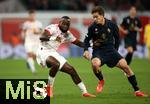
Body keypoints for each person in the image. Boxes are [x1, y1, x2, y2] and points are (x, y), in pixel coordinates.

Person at [83, 6, 148, 97]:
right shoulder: (92, 27)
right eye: (93, 17)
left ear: (102, 15)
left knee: (126, 67)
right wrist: (86, 50)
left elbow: (117, 39)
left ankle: (137, 91)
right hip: (99, 51)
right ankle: (101, 80)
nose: (94, 19)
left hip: (111, 50)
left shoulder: (112, 25)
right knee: (94, 64)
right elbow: (86, 40)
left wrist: (115, 52)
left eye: (96, 16)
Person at [36, 16, 96, 98]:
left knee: (71, 70)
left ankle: (84, 92)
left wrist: (91, 45)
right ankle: (49, 87)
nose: (65, 26)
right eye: (63, 23)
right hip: (43, 51)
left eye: (67, 24)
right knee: (56, 64)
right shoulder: (53, 27)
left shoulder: (67, 34)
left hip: (53, 53)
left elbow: (78, 43)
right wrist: (54, 38)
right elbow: (42, 37)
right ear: (59, 22)